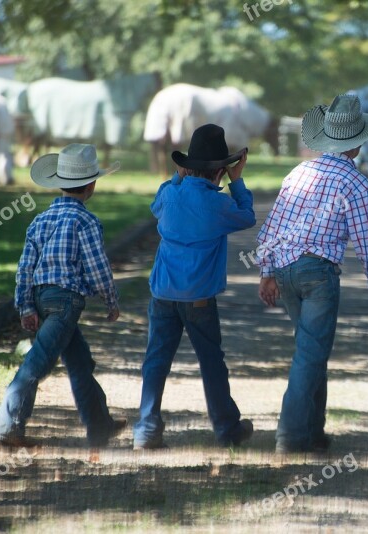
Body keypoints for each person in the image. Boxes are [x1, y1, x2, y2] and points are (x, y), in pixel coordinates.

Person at [257, 94, 368, 453]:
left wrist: (266, 271)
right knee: (311, 353)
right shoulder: (356, 183)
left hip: (285, 269)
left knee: (311, 349)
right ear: (358, 142)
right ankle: (291, 436)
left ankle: (313, 431)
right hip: (318, 273)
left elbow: (273, 226)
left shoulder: (299, 173)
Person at [0, 143, 125, 448]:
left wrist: (25, 305)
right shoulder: (86, 222)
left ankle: (100, 425)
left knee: (79, 361)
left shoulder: (40, 221)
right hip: (66, 302)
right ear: (91, 185)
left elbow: (25, 267)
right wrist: (111, 300)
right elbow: (97, 267)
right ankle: (6, 427)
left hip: (40, 298)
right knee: (36, 364)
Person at [133, 124, 255, 450]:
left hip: (162, 292)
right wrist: (237, 180)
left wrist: (178, 177)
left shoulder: (168, 195)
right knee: (211, 361)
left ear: (186, 166)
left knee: (156, 360)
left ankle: (146, 429)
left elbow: (157, 202)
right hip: (199, 297)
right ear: (219, 171)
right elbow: (247, 216)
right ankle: (227, 429)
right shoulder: (219, 205)